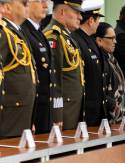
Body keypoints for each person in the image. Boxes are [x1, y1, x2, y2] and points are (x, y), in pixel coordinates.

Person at [43, 0, 84, 130]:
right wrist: (57, 113)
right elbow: (54, 79)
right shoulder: (53, 36)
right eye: (76, 12)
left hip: (72, 108)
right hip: (64, 111)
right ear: (62, 11)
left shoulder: (67, 36)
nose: (80, 17)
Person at [22, 0, 60, 134]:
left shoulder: (38, 32)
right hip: (34, 111)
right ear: (26, 3)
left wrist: (55, 112)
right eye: (40, 1)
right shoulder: (24, 32)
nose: (45, 6)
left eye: (46, 2)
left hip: (45, 110)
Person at [0, 0, 36, 138]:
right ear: (7, 7)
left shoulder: (17, 32)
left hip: (22, 113)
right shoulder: (4, 33)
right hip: (9, 115)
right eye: (24, 3)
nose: (28, 6)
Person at [72, 0, 107, 127]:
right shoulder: (76, 39)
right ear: (91, 20)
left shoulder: (89, 39)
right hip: (86, 108)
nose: (99, 24)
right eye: (98, 20)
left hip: (96, 107)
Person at [95, 22, 125, 124]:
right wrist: (113, 105)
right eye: (111, 38)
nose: (115, 41)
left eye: (115, 38)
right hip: (105, 117)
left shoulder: (111, 58)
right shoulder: (100, 60)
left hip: (115, 116)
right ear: (99, 40)